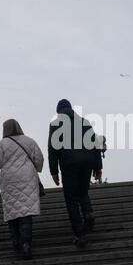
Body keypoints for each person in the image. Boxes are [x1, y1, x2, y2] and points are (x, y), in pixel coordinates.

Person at [48, 99, 103, 248]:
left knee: (71, 198)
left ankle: (80, 233)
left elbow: (53, 149)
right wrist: (98, 167)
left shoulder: (55, 125)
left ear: (58, 112)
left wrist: (54, 171)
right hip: (87, 162)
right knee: (83, 191)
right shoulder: (85, 122)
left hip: (69, 164)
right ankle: (88, 213)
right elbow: (95, 145)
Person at [0, 119, 44, 260]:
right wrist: (37, 169)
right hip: (28, 178)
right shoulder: (29, 141)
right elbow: (39, 160)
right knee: (26, 213)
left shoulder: (1, 144)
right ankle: (26, 244)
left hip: (9, 181)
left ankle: (16, 242)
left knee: (13, 210)